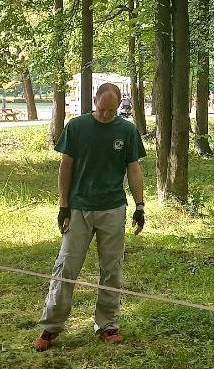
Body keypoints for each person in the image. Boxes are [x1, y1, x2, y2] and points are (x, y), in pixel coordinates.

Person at [33, 82, 147, 350]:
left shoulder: (127, 131)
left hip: (112, 209)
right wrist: (64, 205)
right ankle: (50, 327)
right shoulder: (77, 127)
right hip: (79, 209)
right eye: (102, 108)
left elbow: (133, 169)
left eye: (112, 110)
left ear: (119, 106)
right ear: (94, 101)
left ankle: (107, 325)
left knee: (112, 269)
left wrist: (140, 206)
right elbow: (66, 167)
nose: (107, 114)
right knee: (66, 267)